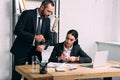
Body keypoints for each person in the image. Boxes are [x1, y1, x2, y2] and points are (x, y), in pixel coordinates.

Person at [10, 0, 54, 80]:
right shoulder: (27, 14)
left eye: (51, 12)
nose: (49, 14)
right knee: (17, 75)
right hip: (21, 49)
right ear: (42, 7)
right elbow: (17, 30)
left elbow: (49, 38)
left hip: (35, 52)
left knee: (34, 75)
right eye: (48, 11)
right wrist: (34, 37)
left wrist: (44, 45)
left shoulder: (47, 20)